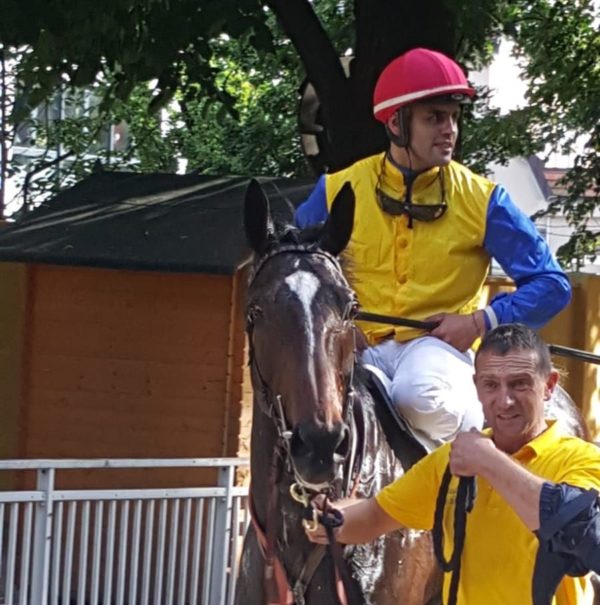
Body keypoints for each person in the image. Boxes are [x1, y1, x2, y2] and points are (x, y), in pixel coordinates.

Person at [295, 47, 572, 445]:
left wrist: (479, 323)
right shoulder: (336, 189)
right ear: (395, 123)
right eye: (434, 118)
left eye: (454, 118)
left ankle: (471, 476)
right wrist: (337, 324)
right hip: (356, 348)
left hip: (435, 352)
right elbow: (299, 270)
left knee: (419, 398)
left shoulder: (484, 199)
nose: (450, 130)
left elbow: (552, 285)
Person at [305, 323, 600, 604]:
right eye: (491, 385)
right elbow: (372, 516)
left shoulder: (582, 460)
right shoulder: (451, 462)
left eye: (519, 385)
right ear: (476, 386)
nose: (504, 400)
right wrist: (327, 519)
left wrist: (488, 461)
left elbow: (578, 532)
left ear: (548, 386)